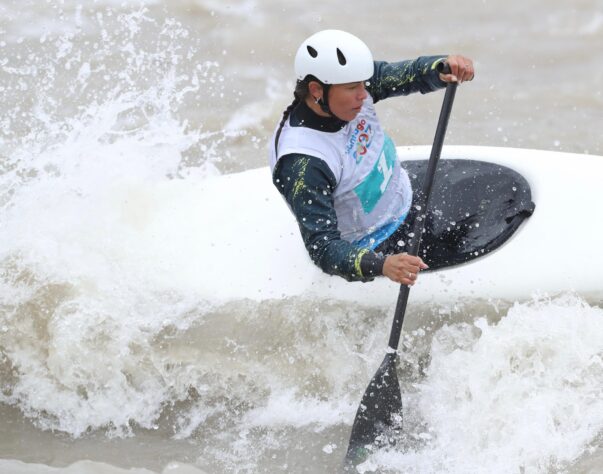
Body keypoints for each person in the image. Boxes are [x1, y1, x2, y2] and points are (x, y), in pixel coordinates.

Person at [269, 30, 474, 286]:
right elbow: (323, 248)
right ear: (316, 90)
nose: (364, 94)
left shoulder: (350, 87)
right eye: (353, 88)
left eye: (363, 84)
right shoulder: (304, 163)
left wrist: (440, 68)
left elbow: (405, 74)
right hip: (377, 246)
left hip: (405, 199)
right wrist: (383, 265)